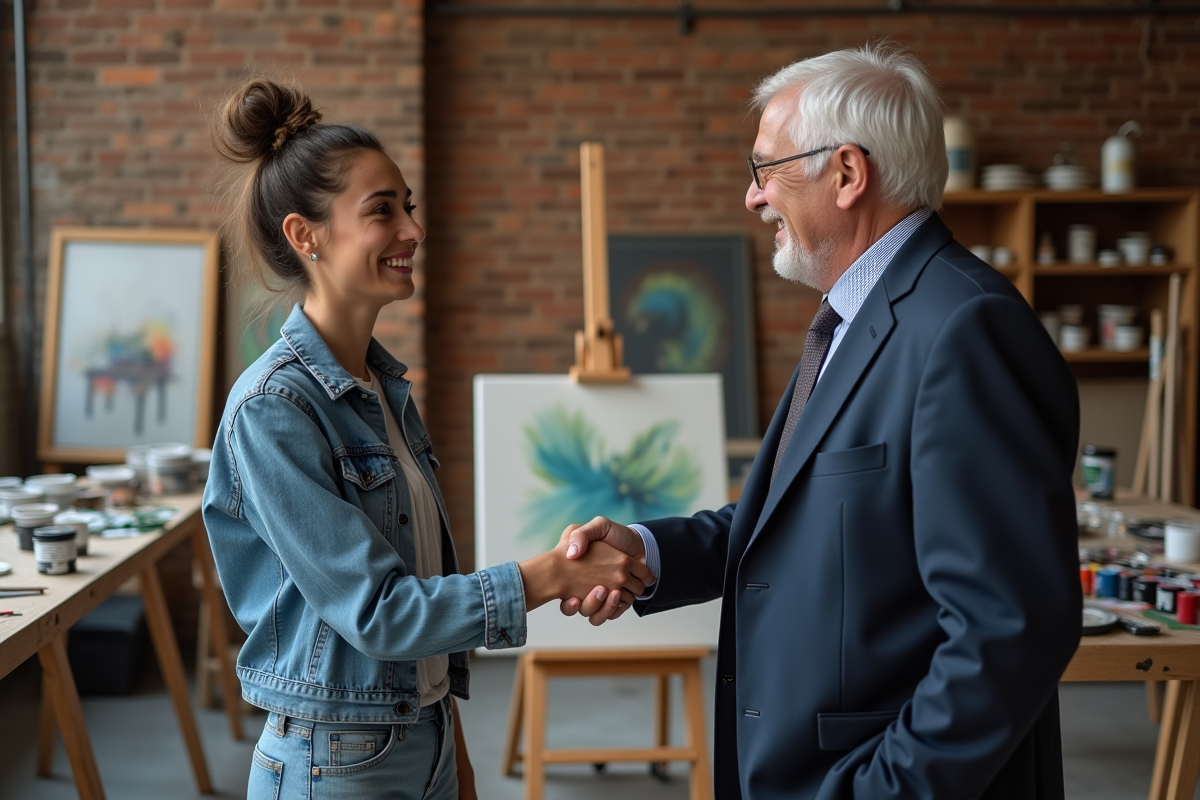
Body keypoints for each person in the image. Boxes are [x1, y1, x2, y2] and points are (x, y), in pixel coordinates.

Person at [560, 45, 1082, 800]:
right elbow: (809, 522)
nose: (752, 196)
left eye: (766, 167)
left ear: (846, 173)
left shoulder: (966, 328)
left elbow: (1009, 630)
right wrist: (648, 552)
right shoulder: (853, 318)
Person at [201, 78, 652, 800]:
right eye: (383, 211)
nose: (412, 229)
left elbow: (417, 607)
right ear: (304, 234)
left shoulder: (382, 391)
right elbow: (379, 612)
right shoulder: (272, 410)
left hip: (422, 739)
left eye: (408, 206)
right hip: (335, 763)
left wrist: (453, 753)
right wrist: (552, 576)